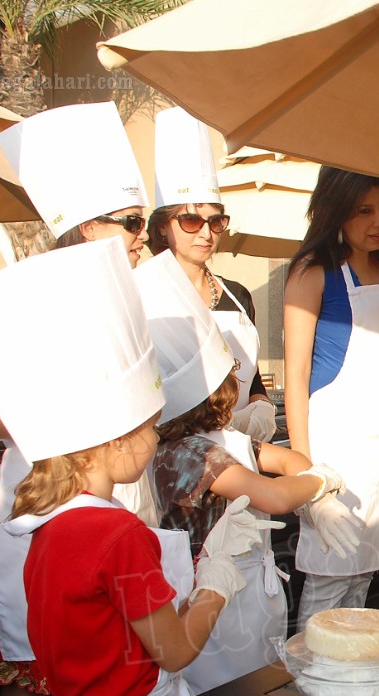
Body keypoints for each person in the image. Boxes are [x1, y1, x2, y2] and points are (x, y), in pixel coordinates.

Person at [0, 238, 252, 696]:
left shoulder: (42, 525)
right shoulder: (119, 535)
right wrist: (216, 586)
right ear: (113, 441)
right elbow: (172, 652)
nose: (157, 438)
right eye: (151, 426)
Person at [0, 102, 154, 696]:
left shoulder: (137, 294)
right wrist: (62, 420)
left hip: (117, 494)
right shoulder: (23, 295)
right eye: (133, 222)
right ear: (89, 226)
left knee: (111, 657)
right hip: (40, 500)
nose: (145, 234)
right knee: (30, 671)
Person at [137, 251, 350, 696]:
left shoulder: (224, 442)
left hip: (252, 597)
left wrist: (307, 469)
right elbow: (276, 493)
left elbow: (283, 461)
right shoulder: (188, 457)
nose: (239, 377)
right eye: (228, 375)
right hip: (213, 601)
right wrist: (319, 483)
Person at [283, 167, 379, 627]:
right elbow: (295, 374)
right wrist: (306, 469)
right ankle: (314, 680)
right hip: (337, 449)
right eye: (364, 211)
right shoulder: (313, 271)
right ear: (336, 210)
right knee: (329, 580)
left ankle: (349, 681)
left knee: (364, 581)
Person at [149, 106, 276, 443]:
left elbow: (253, 380)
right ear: (163, 226)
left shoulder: (238, 294)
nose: (206, 233)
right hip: (171, 455)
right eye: (191, 220)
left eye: (216, 221)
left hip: (241, 450)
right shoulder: (145, 295)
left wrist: (261, 408)